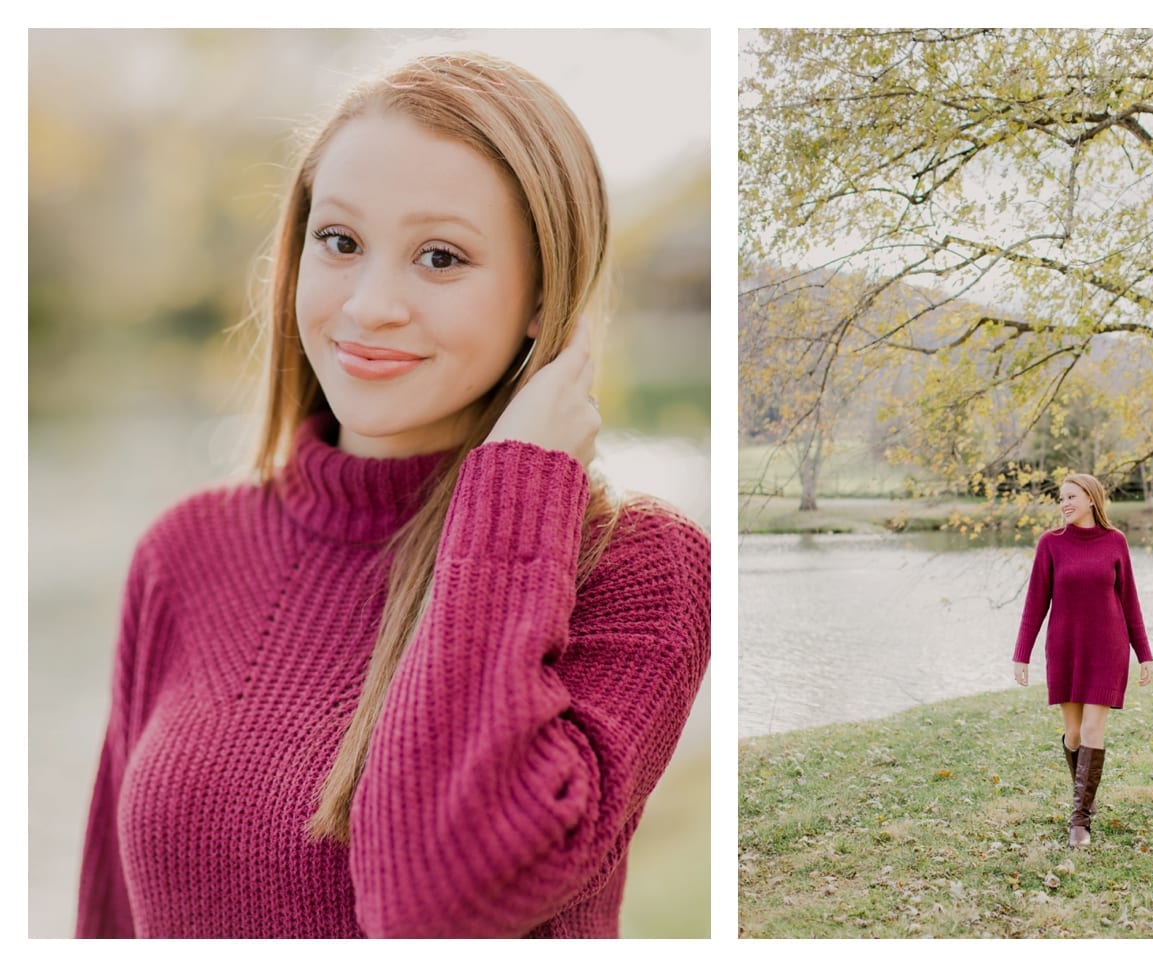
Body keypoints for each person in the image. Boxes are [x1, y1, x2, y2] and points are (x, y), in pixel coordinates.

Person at [75, 51, 710, 938]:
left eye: (440, 257)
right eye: (339, 241)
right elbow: (105, 923)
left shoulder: (630, 567)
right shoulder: (184, 551)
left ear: (543, 299)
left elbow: (432, 906)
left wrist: (515, 494)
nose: (370, 305)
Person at [1011, 473, 1152, 847]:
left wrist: (1144, 654)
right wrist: (1021, 655)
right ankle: (1084, 797)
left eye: (1071, 496)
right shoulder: (1051, 544)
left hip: (1108, 648)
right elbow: (1035, 604)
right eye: (1061, 498)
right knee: (1073, 734)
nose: (1064, 504)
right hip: (1066, 649)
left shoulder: (1115, 542)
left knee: (1092, 731)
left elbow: (1130, 602)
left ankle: (1080, 820)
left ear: (1092, 498)